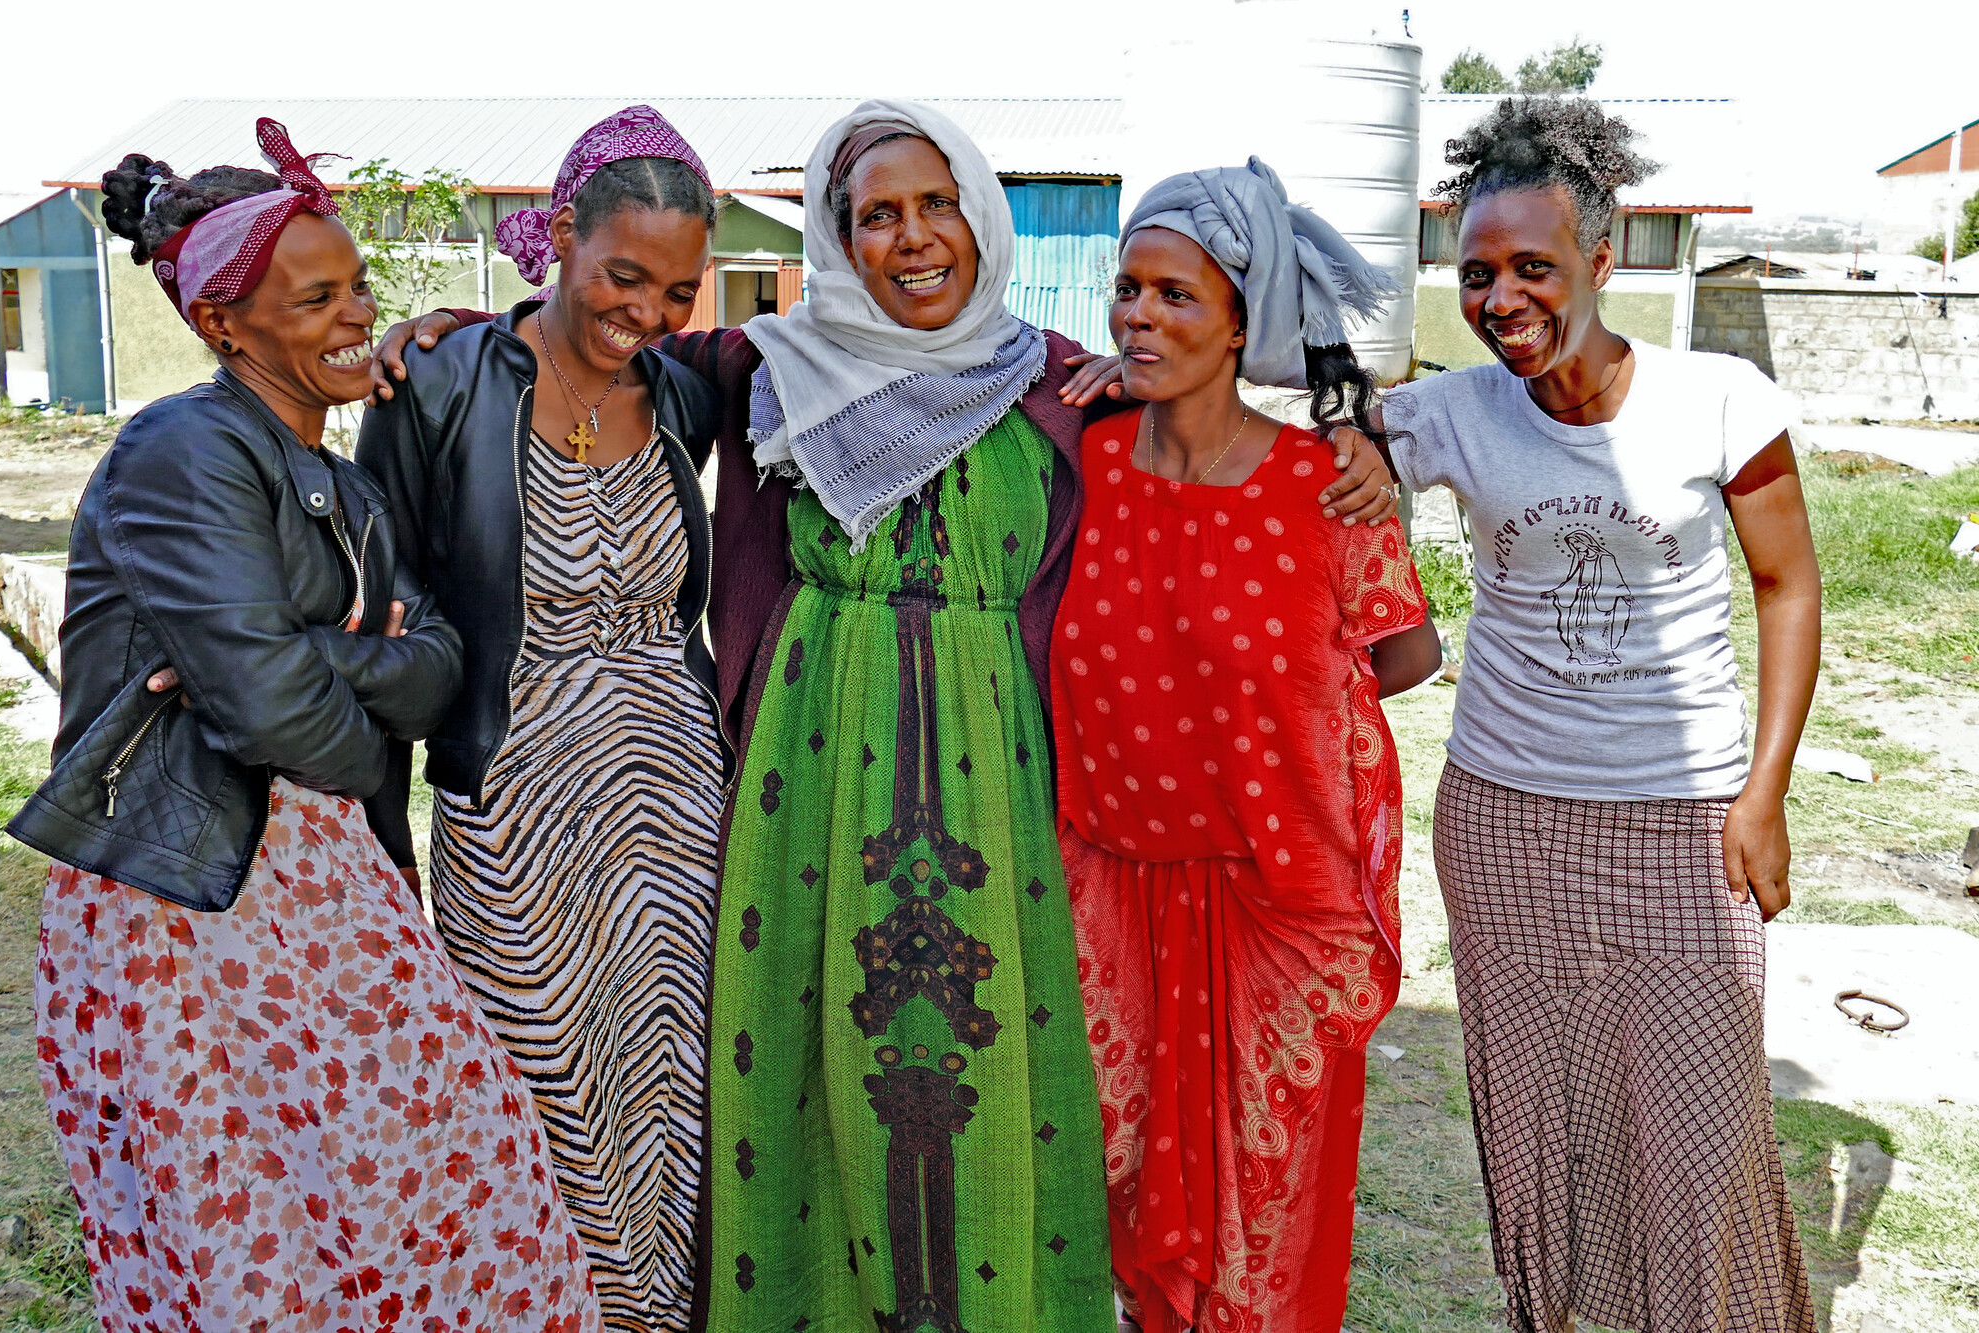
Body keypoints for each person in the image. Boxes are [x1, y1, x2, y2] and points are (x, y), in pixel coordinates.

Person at [369, 100, 1401, 1333]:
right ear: (835, 236)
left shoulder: (1060, 384)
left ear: (977, 211)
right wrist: (457, 330)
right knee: (810, 1063)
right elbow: (599, 340)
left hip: (999, 784)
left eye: (933, 205)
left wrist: (1359, 440)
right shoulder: (771, 364)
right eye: (874, 217)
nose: (910, 239)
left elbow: (1220, 438)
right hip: (805, 768)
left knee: (994, 1066)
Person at [8, 120, 602, 1332]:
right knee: (253, 1235)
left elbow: (432, 670)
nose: (355, 318)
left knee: (453, 1169)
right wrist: (331, 677)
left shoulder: (343, 479)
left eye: (358, 288)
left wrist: (315, 660)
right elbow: (279, 716)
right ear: (226, 324)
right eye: (316, 295)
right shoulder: (182, 452)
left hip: (324, 885)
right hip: (187, 900)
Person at [1380, 98, 1820, 1333]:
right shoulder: (1453, 413)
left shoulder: (1718, 401)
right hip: (1502, 823)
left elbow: (1787, 590)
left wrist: (1763, 794)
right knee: (1538, 1120)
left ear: (1596, 261)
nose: (1500, 297)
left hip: (1683, 822)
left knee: (1697, 1132)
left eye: (1531, 267)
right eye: (1475, 274)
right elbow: (1288, 464)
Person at [1052, 159, 1441, 1333]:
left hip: (1276, 901)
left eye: (1177, 295)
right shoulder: (1082, 457)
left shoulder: (1323, 484)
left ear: (1241, 322)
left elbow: (1405, 654)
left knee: (1265, 1217)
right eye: (1127, 289)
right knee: (1119, 1187)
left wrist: (1273, 716)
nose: (1139, 315)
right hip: (1111, 891)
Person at [354, 105, 726, 1332]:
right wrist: (382, 844)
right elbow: (383, 601)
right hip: (512, 800)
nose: (649, 315)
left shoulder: (682, 392)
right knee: (535, 1085)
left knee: (673, 1087)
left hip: (677, 805)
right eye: (623, 276)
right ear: (559, 237)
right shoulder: (440, 383)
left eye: (678, 290)